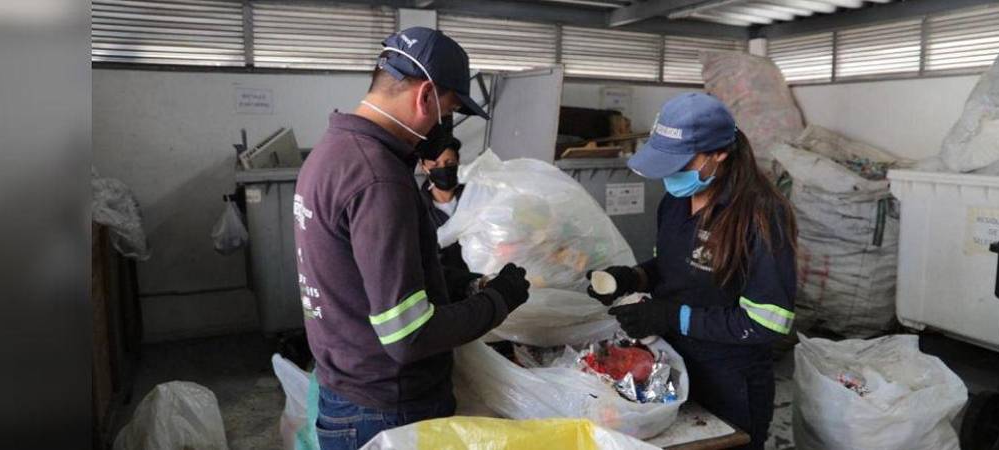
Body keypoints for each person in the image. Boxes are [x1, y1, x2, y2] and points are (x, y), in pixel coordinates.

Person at [292, 27, 530, 450]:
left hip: (347, 387)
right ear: (425, 98)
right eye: (450, 110)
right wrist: (500, 300)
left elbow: (362, 272)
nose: (446, 128)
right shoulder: (379, 178)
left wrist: (460, 284)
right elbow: (409, 336)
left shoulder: (331, 152)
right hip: (387, 407)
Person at [589, 93, 798, 450]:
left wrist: (672, 316)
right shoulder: (674, 201)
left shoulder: (761, 216)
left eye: (681, 163)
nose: (670, 175)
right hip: (675, 363)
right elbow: (673, 267)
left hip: (730, 379)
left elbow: (768, 322)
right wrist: (632, 277)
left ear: (719, 154)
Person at [416, 138, 475, 297]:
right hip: (444, 292)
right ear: (424, 167)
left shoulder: (475, 195)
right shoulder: (417, 208)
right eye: (435, 165)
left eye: (449, 163)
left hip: (482, 284)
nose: (443, 169)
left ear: (458, 161)